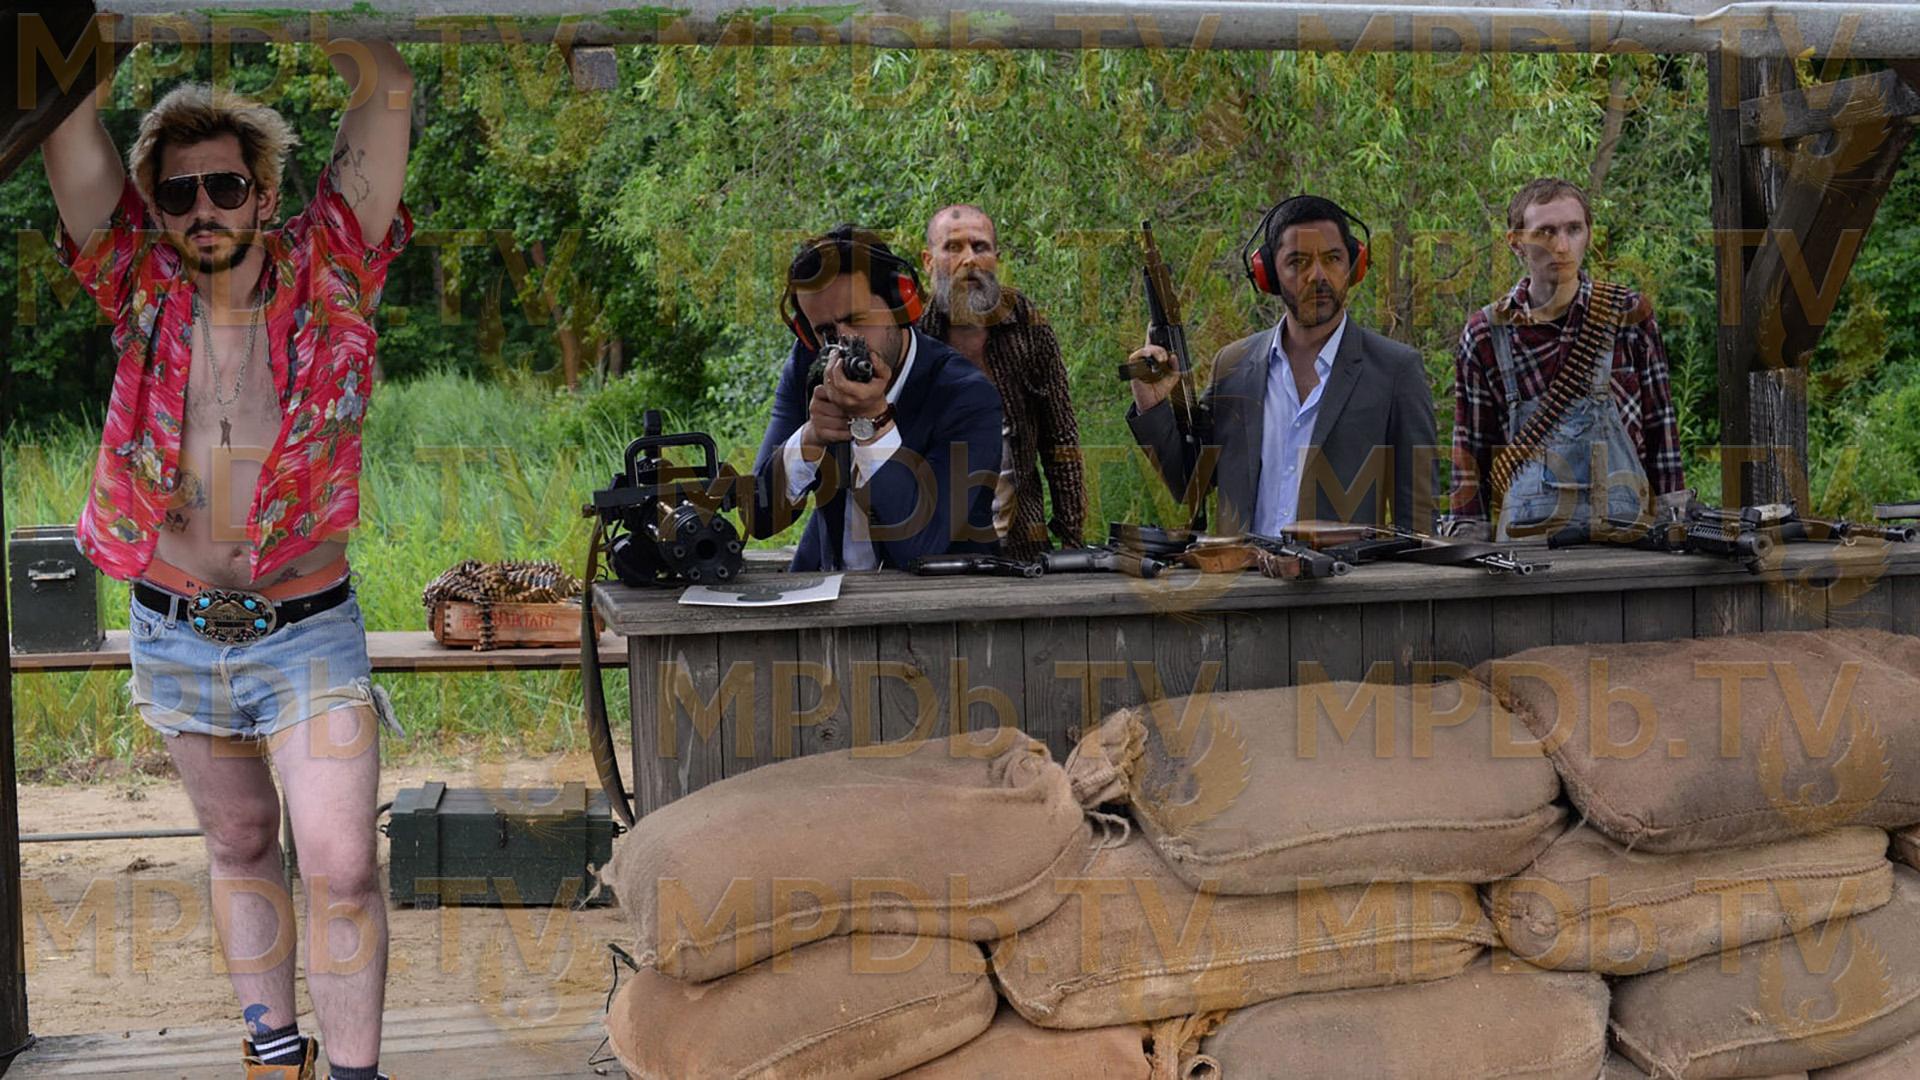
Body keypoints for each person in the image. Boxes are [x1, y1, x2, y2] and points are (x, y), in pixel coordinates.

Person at [44, 36, 414, 1080]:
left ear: (264, 193)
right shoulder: (137, 279)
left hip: (308, 628)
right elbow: (63, 121)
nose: (202, 207)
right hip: (176, 625)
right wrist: (109, 35)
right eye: (178, 192)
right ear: (156, 207)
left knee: (341, 862)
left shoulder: (332, 265)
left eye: (225, 186)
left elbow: (387, 85)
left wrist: (322, 20)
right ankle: (274, 1054)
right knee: (242, 842)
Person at [1127, 195, 1437, 534]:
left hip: (1343, 570)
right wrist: (1152, 405)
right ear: (1269, 274)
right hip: (1243, 569)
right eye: (1298, 261)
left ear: (1354, 265)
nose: (1317, 276)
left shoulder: (1396, 370)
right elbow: (1190, 485)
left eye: (1333, 258)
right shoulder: (1233, 366)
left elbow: (1418, 523)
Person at [749, 225, 1004, 570]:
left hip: (942, 597)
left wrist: (875, 423)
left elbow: (920, 548)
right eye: (826, 331)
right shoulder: (811, 365)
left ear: (901, 304)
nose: (844, 342)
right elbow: (758, 516)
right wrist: (810, 439)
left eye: (856, 319)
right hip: (833, 584)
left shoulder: (966, 395)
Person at [1445, 177, 1686, 540]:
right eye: (1545, 232)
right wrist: (1468, 538)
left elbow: (1660, 428)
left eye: (1573, 229)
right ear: (1516, 243)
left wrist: (1676, 520)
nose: (1561, 246)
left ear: (1589, 234)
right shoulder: (1486, 334)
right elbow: (1471, 453)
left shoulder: (1628, 315)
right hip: (1529, 544)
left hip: (1629, 540)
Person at [917, 204, 1086, 560]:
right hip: (933, 549)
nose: (969, 260)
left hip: (1023, 546)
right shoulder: (913, 338)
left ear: (996, 258)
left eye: (980, 247)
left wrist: (1072, 541)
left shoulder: (1027, 326)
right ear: (928, 261)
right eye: (953, 247)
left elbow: (1061, 438)